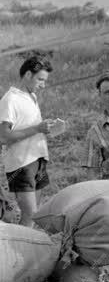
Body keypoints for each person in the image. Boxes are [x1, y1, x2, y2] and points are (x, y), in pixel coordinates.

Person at [0, 56, 59, 226]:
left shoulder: (31, 96)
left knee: (35, 214)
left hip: (38, 159)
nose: (43, 84)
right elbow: (3, 137)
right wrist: (37, 129)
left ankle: (27, 247)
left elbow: (28, 126)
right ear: (27, 75)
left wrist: (46, 128)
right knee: (30, 213)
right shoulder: (10, 100)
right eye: (40, 79)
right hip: (21, 164)